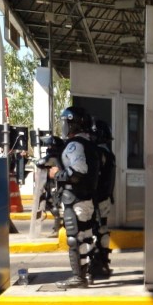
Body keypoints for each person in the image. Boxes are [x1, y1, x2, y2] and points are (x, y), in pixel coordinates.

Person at [49, 106, 100, 289]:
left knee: (75, 239)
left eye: (66, 122)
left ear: (73, 123)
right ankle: (86, 274)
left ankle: (78, 276)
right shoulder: (89, 144)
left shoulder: (74, 145)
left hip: (76, 199)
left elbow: (79, 171)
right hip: (86, 199)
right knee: (85, 238)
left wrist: (56, 174)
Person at [90, 119, 117, 279]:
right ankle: (104, 262)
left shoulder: (99, 153)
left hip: (98, 198)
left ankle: (98, 264)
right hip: (105, 198)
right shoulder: (108, 153)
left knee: (96, 231)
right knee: (102, 230)